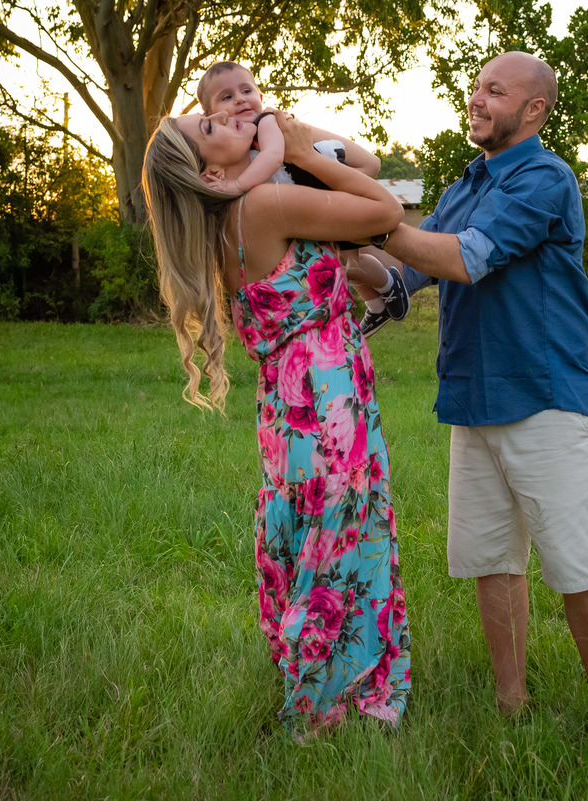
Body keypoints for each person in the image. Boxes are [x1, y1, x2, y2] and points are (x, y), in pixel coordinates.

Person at [141, 105, 410, 738]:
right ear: (210, 169)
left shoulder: (231, 214)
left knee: (322, 533)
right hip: (323, 397)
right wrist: (304, 154)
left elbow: (363, 162)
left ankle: (332, 687)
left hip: (293, 406)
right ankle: (329, 702)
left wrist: (287, 136)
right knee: (340, 538)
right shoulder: (261, 204)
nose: (227, 117)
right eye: (209, 126)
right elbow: (385, 210)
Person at [379, 51, 588, 728]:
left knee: (576, 562)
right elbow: (406, 275)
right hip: (472, 397)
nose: (477, 98)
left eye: (495, 90)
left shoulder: (545, 179)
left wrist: (377, 224)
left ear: (535, 109)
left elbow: (463, 258)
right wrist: (335, 253)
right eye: (476, 87)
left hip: (544, 396)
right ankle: (510, 703)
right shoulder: (464, 186)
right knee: (493, 559)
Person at [196, 61, 408, 337]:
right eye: (227, 97)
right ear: (210, 115)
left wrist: (236, 185)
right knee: (337, 262)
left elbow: (272, 158)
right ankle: (376, 303)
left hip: (319, 192)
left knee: (345, 259)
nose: (239, 99)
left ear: (260, 98)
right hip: (292, 225)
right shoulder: (226, 154)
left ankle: (388, 284)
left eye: (246, 91)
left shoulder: (268, 123)